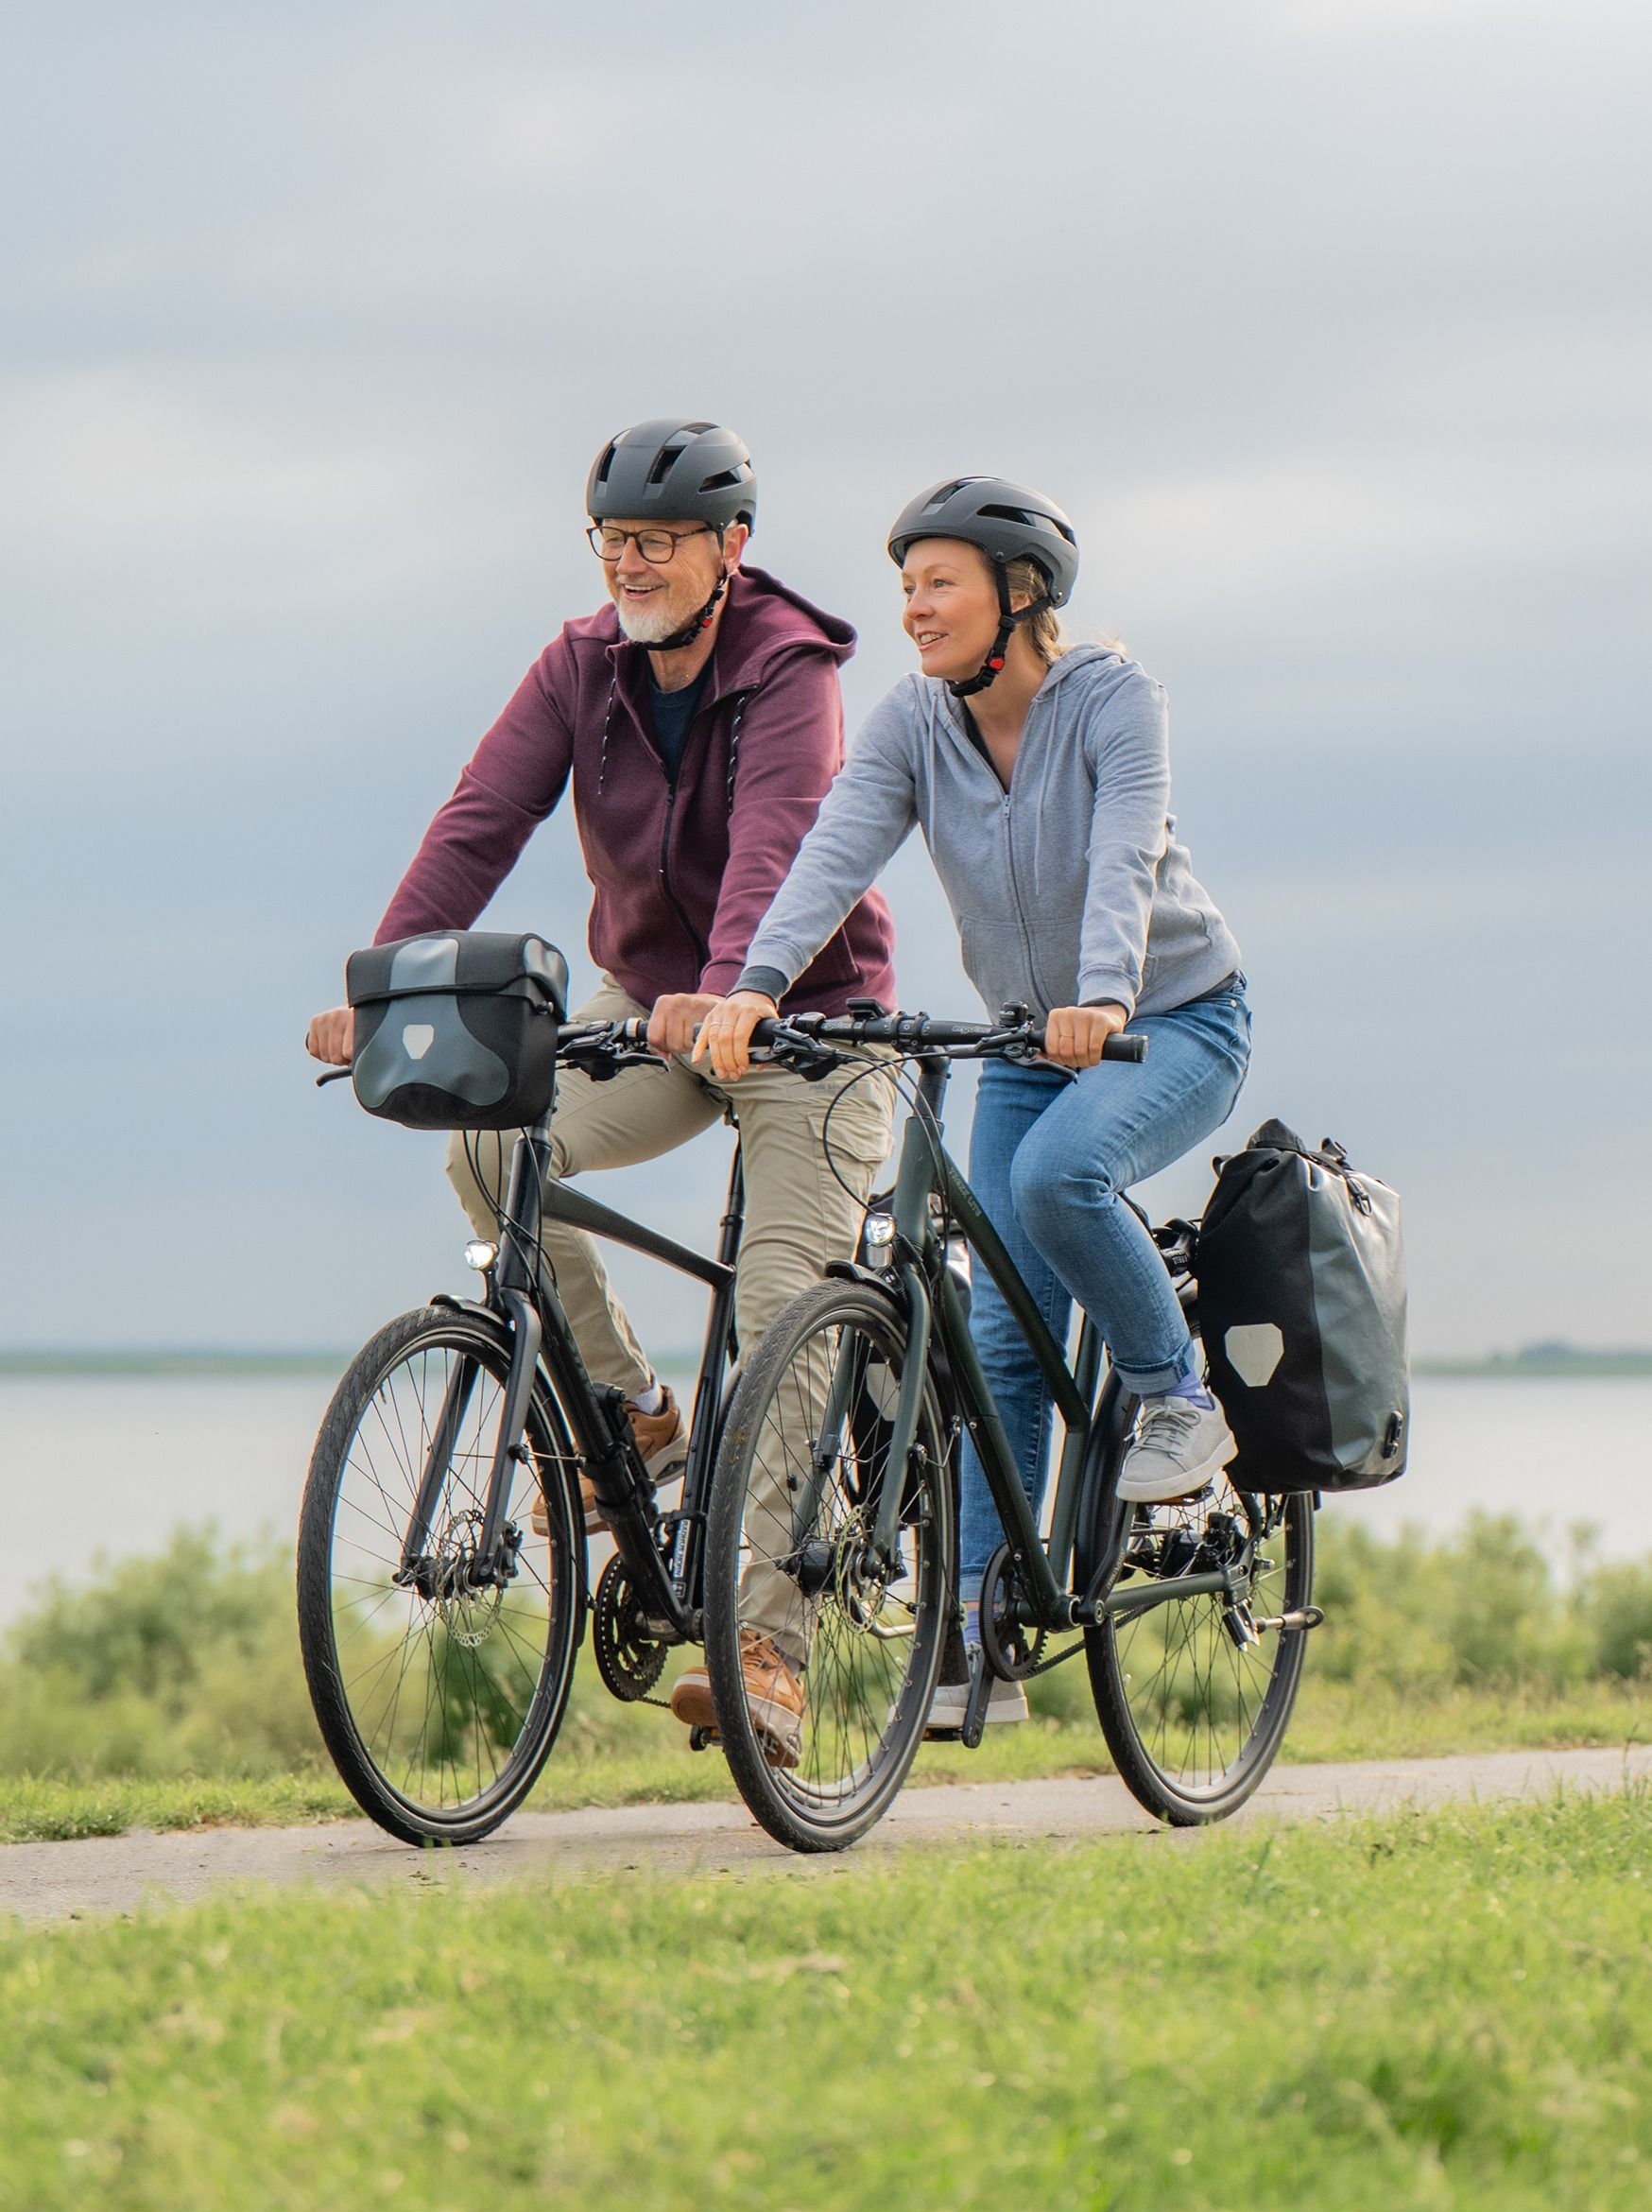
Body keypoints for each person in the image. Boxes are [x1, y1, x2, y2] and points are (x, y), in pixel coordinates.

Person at [305, 417, 897, 1761]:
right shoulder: (580, 665)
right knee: (491, 1151)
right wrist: (383, 989)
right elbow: (481, 821)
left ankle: (768, 1652)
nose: (629, 564)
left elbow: (776, 841)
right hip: (656, 1005)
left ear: (730, 547)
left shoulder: (790, 667)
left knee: (781, 1305)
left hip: (809, 1018)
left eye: (659, 543)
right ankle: (632, 1420)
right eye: (613, 539)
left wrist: (735, 988)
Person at [695, 475, 1251, 1731]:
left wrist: (1101, 995)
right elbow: (832, 852)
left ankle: (1178, 1395)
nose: (914, 608)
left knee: (1060, 1180)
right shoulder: (913, 722)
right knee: (999, 1337)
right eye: (905, 587)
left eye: (939, 583)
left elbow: (1125, 853)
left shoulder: (1113, 701)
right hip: (1023, 1045)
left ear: (1021, 593)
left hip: (1172, 1021)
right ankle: (979, 1634)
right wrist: (754, 988)